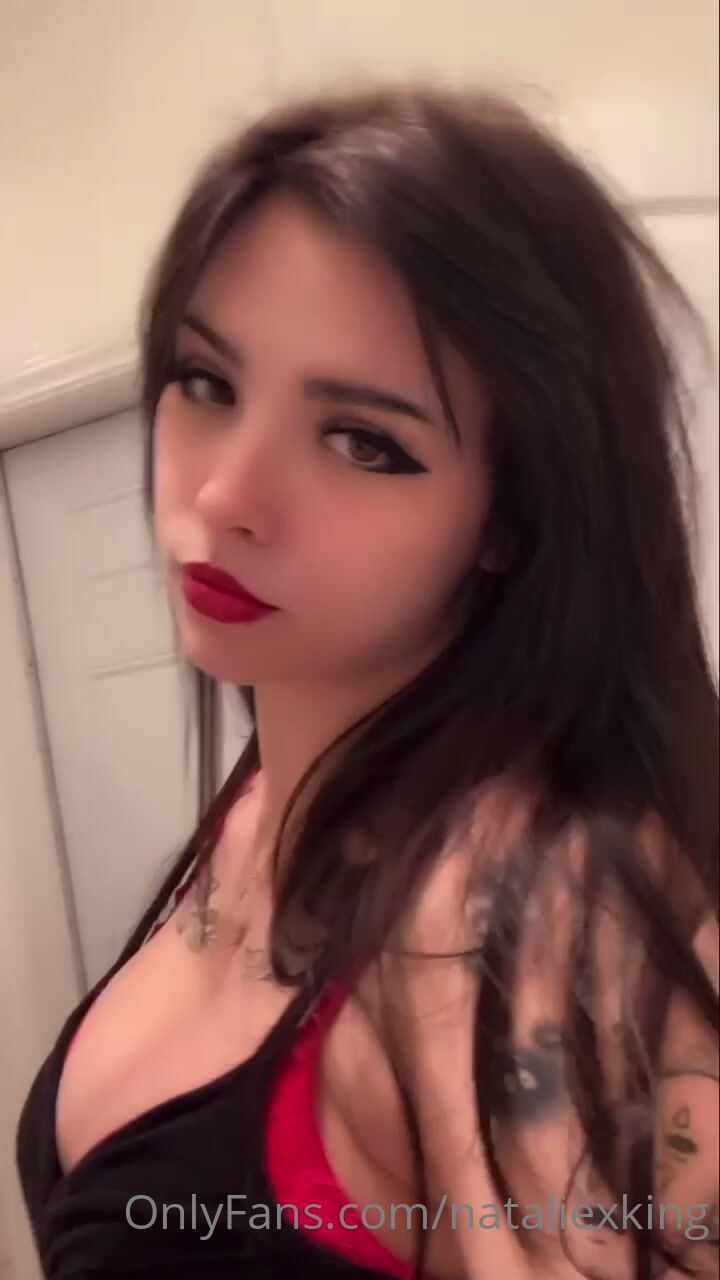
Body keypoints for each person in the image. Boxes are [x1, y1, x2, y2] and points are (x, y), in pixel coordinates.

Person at [16, 82, 718, 1280]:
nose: (225, 494)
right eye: (206, 381)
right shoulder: (270, 791)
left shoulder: (527, 909)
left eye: (363, 441)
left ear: (513, 515)